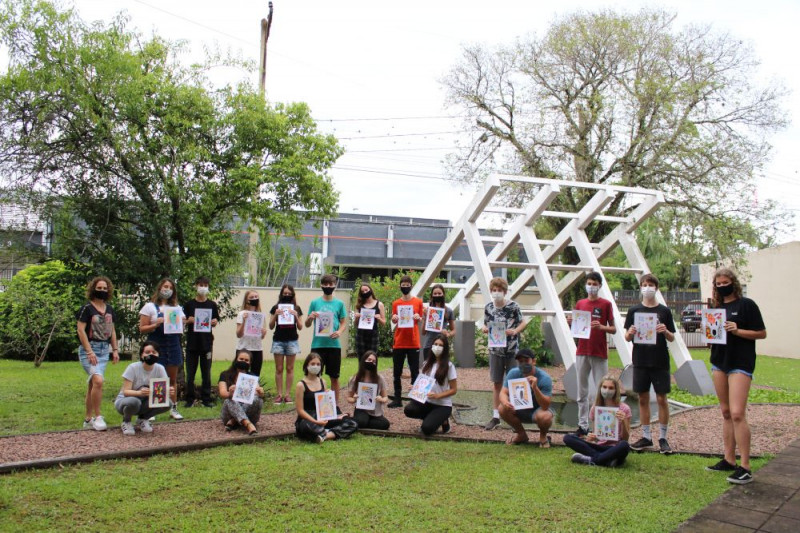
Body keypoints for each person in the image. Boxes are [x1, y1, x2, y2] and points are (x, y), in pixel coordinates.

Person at [704, 268, 766, 485]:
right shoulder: (717, 308)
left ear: (733, 283)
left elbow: (761, 333)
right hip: (719, 362)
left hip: (740, 364)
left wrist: (738, 331)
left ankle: (745, 465)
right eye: (718, 284)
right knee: (726, 412)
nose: (722, 286)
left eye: (725, 282)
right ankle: (729, 459)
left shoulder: (747, 305)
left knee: (738, 413)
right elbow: (713, 336)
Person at [623, 273, 676, 454]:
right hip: (640, 360)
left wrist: (665, 331)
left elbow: (672, 337)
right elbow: (627, 336)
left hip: (660, 360)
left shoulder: (664, 311)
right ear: (640, 288)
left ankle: (663, 437)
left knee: (661, 398)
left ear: (656, 288)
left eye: (650, 285)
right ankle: (646, 436)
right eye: (644, 284)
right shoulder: (634, 311)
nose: (647, 288)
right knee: (643, 398)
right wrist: (630, 332)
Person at [571, 271, 616, 436]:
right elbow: (576, 329)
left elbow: (614, 328)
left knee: (603, 391)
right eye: (589, 283)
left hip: (599, 352)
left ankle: (603, 426)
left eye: (594, 284)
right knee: (581, 391)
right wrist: (572, 323)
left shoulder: (605, 304)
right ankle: (582, 425)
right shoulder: (580, 303)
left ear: (600, 286)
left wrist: (602, 327)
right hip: (582, 351)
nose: (591, 287)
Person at [482, 277, 529, 430]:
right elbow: (486, 323)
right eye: (494, 290)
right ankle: (496, 416)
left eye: (499, 290)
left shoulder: (513, 306)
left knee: (515, 383)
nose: (496, 293)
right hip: (495, 350)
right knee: (497, 382)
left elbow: (523, 322)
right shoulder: (488, 307)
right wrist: (484, 329)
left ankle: (515, 416)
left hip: (512, 350)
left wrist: (514, 331)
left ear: (505, 291)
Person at [76, 276, 120, 431]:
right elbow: (80, 330)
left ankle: (88, 419)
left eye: (104, 288)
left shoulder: (109, 309)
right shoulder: (86, 309)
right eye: (99, 288)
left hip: (104, 350)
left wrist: (114, 349)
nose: (102, 291)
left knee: (93, 385)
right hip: (90, 349)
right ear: (93, 289)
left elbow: (112, 330)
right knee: (99, 381)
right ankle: (98, 416)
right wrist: (89, 351)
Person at [138, 277, 185, 420]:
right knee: (155, 378)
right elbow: (142, 328)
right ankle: (152, 409)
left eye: (170, 288)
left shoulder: (177, 309)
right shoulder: (149, 307)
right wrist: (155, 324)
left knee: (172, 379)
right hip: (156, 346)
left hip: (173, 345)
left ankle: (173, 407)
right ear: (159, 288)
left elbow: (181, 327)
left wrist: (182, 323)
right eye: (165, 287)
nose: (167, 290)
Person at [564, 375, 631, 467]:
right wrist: (592, 437)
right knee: (568, 438)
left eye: (611, 388)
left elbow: (626, 439)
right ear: (600, 388)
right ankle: (606, 460)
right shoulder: (595, 408)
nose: (607, 390)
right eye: (604, 387)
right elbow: (597, 436)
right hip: (599, 447)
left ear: (616, 390)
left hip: (615, 447)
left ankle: (592, 459)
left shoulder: (624, 409)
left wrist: (623, 420)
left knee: (624, 445)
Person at [294, 352, 358, 443]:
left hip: (323, 417)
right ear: (306, 365)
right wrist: (316, 422)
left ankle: (326, 435)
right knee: (305, 427)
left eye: (318, 364)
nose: (315, 366)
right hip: (308, 418)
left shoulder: (323, 382)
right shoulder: (300, 385)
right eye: (312, 364)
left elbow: (325, 406)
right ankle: (328, 431)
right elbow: (300, 411)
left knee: (352, 423)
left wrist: (336, 416)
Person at [304, 274, 348, 405]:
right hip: (317, 344)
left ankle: (334, 405)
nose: (328, 286)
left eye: (331, 284)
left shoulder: (339, 303)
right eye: (326, 284)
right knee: (315, 375)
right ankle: (316, 404)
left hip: (334, 345)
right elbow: (306, 324)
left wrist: (339, 332)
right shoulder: (315, 302)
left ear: (335, 285)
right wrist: (310, 317)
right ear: (321, 285)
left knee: (334, 376)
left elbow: (343, 322)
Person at [114, 341, 174, 435]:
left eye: (154, 352)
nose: (151, 354)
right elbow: (125, 392)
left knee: (168, 403)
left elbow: (161, 391)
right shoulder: (132, 367)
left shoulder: (160, 368)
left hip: (145, 402)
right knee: (134, 401)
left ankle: (143, 419)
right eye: (147, 352)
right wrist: (139, 393)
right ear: (142, 355)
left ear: (158, 355)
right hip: (125, 401)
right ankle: (126, 422)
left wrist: (168, 391)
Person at [404, 334, 457, 435]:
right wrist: (414, 388)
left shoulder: (449, 366)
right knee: (409, 410)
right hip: (426, 402)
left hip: (442, 405)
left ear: (445, 348)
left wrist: (438, 396)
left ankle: (444, 421)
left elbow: (454, 390)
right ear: (432, 346)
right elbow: (423, 382)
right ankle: (432, 418)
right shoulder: (426, 364)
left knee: (427, 429)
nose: (437, 347)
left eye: (440, 345)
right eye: (435, 344)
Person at [498, 348, 553, 446]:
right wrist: (506, 403)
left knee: (546, 417)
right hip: (518, 409)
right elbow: (503, 393)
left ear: (534, 361)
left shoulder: (545, 378)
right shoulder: (513, 373)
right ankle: (521, 435)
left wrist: (535, 388)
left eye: (526, 360)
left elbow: (545, 405)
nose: (523, 364)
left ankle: (543, 436)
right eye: (520, 361)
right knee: (501, 408)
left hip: (537, 411)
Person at [183, 276, 220, 408]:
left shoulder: (212, 305)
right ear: (196, 286)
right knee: (190, 374)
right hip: (192, 344)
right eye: (200, 284)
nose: (203, 287)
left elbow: (215, 320)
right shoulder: (189, 305)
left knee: (206, 374)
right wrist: (189, 321)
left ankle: (206, 399)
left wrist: (214, 322)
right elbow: (182, 321)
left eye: (205, 285)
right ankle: (189, 399)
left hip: (206, 344)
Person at [388, 275, 424, 408]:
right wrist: (394, 318)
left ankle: (415, 398)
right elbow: (393, 320)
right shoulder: (396, 303)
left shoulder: (418, 302)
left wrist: (418, 317)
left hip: (413, 341)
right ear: (400, 286)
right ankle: (397, 398)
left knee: (415, 371)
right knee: (396, 372)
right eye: (403, 285)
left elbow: (420, 319)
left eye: (407, 284)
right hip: (399, 341)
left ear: (411, 285)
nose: (405, 287)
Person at [268, 284, 303, 405]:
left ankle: (287, 395)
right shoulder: (276, 307)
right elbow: (270, 326)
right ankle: (279, 394)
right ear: (281, 294)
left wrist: (296, 316)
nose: (287, 295)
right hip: (278, 340)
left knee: (290, 368)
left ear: (292, 294)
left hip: (292, 340)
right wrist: (276, 315)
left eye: (289, 293)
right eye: (285, 293)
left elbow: (301, 326)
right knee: (278, 368)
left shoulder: (297, 308)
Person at [218, 350, 264, 435]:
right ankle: (248, 424)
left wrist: (261, 393)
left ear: (250, 363)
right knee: (229, 400)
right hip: (228, 415)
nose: (243, 361)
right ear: (236, 359)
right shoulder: (225, 374)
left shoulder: (252, 376)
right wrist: (230, 394)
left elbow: (257, 393)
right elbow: (222, 393)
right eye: (241, 359)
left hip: (249, 415)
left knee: (258, 399)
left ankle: (234, 420)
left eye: (246, 360)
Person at [346, 350, 390, 430]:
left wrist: (381, 399)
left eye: (373, 361)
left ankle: (354, 421)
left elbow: (385, 398)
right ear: (364, 360)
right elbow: (349, 398)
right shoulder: (355, 378)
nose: (371, 362)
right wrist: (354, 399)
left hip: (375, 411)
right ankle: (359, 421)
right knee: (362, 422)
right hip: (361, 409)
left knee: (385, 424)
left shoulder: (380, 379)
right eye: (369, 360)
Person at [236, 290, 267, 377]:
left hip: (257, 349)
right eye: (251, 297)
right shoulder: (242, 314)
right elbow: (238, 334)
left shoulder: (259, 315)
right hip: (243, 348)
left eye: (256, 297)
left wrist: (263, 333)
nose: (254, 299)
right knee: (241, 373)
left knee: (255, 374)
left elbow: (260, 336)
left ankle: (254, 390)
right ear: (247, 300)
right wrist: (244, 321)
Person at [353, 283, 386, 358]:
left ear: (370, 290)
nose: (365, 292)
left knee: (372, 357)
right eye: (362, 291)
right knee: (361, 358)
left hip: (373, 333)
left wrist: (379, 318)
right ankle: (361, 370)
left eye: (366, 290)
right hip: (361, 334)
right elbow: (355, 324)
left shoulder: (379, 304)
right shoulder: (359, 305)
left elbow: (384, 323)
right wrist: (357, 317)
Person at [422, 283, 456, 353]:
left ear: (443, 294)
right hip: (429, 345)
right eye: (435, 293)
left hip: (442, 345)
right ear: (432, 296)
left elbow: (454, 330)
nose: (437, 295)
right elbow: (423, 332)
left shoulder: (448, 311)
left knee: (442, 364)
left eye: (439, 293)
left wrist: (448, 334)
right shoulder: (427, 310)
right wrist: (426, 317)